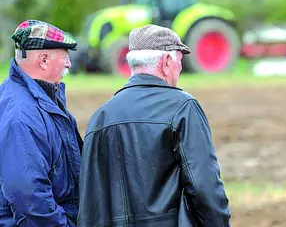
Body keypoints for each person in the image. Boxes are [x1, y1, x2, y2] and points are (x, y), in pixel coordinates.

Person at [78, 24, 231, 227]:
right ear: (166, 61)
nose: (181, 68)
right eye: (179, 60)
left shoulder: (100, 117)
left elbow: (89, 199)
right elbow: (205, 188)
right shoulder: (183, 107)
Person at [0, 20, 83, 226]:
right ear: (44, 60)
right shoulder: (21, 116)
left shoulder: (38, 99)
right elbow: (29, 199)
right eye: (65, 55)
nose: (69, 63)